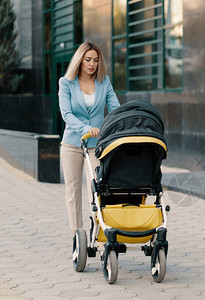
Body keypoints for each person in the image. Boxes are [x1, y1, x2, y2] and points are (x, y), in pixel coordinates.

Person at [59, 42, 120, 233]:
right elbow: (66, 114)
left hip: (96, 145)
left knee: (97, 189)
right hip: (71, 144)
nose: (92, 64)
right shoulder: (66, 82)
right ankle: (78, 234)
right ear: (80, 60)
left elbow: (115, 109)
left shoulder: (104, 82)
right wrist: (86, 128)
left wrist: (118, 125)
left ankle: (100, 236)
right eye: (88, 60)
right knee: (73, 190)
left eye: (95, 60)